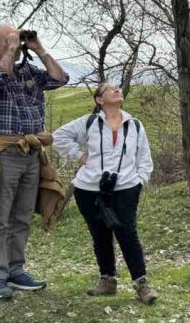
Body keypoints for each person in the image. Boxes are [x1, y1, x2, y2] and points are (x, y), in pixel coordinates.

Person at [53, 83, 158, 304]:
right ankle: (108, 280)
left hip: (125, 187)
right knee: (99, 234)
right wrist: (80, 157)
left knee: (127, 233)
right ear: (99, 100)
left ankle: (142, 284)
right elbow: (59, 136)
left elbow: (144, 157)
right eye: (110, 89)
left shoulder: (134, 125)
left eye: (118, 88)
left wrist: (139, 182)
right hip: (89, 189)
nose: (116, 90)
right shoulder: (89, 122)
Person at [0, 24, 69, 300]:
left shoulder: (29, 71)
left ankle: (15, 270)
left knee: (22, 216)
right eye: (11, 38)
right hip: (5, 153)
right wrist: (10, 49)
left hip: (31, 153)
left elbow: (60, 79)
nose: (17, 42)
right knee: (1, 218)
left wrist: (39, 49)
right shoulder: (3, 70)